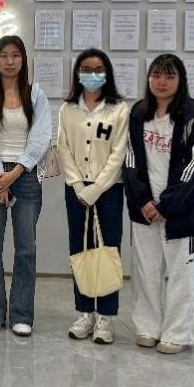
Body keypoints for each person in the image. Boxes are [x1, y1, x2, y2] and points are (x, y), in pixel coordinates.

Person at [124, 53, 194, 354]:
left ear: (180, 80)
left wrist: (166, 206)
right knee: (145, 271)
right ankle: (147, 328)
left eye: (169, 76)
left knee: (181, 274)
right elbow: (130, 160)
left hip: (181, 211)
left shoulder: (192, 117)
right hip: (145, 210)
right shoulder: (138, 113)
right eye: (156, 75)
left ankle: (177, 334)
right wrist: (144, 201)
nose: (161, 82)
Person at [0, 35, 52, 336]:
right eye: (4, 55)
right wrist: (0, 179)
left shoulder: (36, 95)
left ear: (23, 60)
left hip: (26, 175)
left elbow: (41, 137)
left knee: (26, 249)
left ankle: (21, 315)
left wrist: (15, 173)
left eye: (15, 55)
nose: (9, 61)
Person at [57, 48, 128, 345]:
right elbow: (63, 148)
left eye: (98, 69)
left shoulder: (119, 109)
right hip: (76, 189)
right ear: (78, 73)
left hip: (108, 190)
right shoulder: (67, 109)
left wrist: (97, 188)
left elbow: (119, 152)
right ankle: (85, 312)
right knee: (80, 249)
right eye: (86, 69)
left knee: (108, 248)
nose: (92, 74)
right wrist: (77, 185)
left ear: (107, 73)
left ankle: (106, 317)